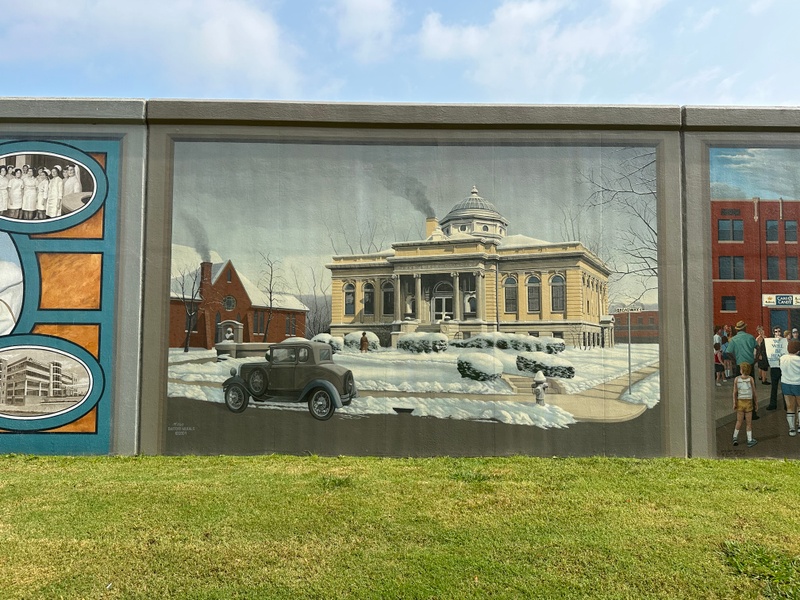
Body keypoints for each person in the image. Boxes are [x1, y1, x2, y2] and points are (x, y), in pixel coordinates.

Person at [732, 362, 758, 447]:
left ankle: (735, 437)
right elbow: (754, 392)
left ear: (741, 370)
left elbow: (735, 392)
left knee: (739, 421)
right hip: (748, 402)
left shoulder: (736, 379)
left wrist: (734, 402)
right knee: (748, 423)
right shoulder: (751, 379)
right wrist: (756, 403)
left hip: (740, 401)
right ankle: (749, 440)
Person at [779, 339, 800, 437]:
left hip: (785, 383)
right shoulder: (798, 360)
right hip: (798, 384)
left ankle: (791, 429)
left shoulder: (782, 358)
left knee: (790, 407)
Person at [766, 326, 787, 411]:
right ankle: (773, 404)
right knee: (774, 387)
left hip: (782, 367)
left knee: (784, 386)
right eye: (776, 331)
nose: (777, 333)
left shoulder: (784, 341)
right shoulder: (770, 342)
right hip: (774, 367)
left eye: (779, 331)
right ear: (773, 333)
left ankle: (786, 404)